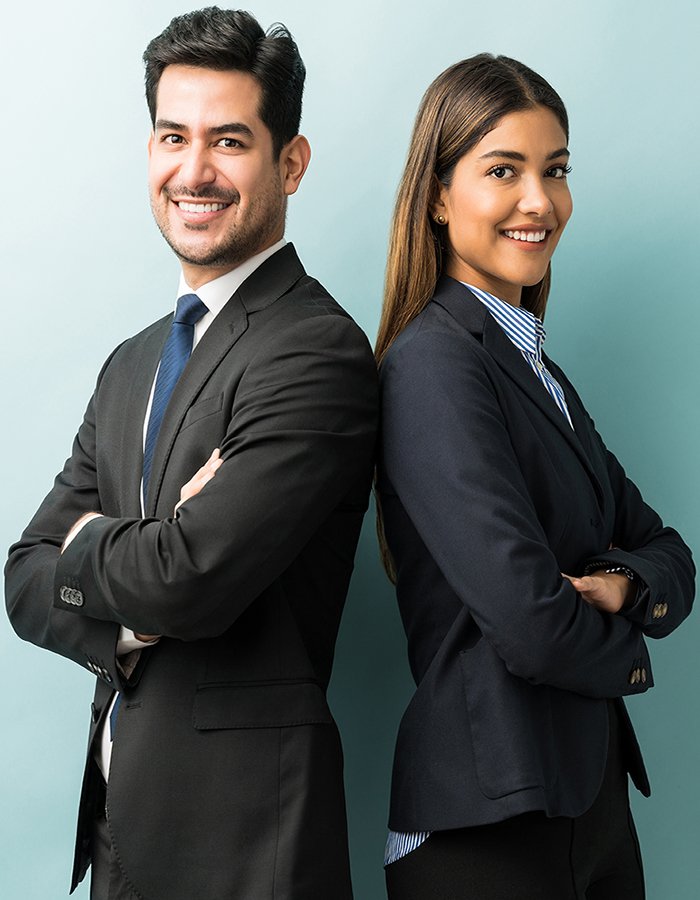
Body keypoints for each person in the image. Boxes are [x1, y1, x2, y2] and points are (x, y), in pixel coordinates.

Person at [5, 8, 377, 899]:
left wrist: (95, 545)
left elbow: (190, 578)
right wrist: (144, 572)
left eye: (229, 141)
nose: (194, 170)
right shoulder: (130, 363)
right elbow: (23, 577)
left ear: (291, 162)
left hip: (246, 848)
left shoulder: (316, 349)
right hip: (118, 836)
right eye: (174, 136)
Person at [375, 54, 694, 900]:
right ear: (438, 197)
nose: (539, 201)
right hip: (487, 823)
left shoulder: (540, 373)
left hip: (587, 803)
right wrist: (634, 653)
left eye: (555, 170)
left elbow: (669, 552)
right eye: (503, 171)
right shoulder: (433, 364)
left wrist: (626, 586)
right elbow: (531, 622)